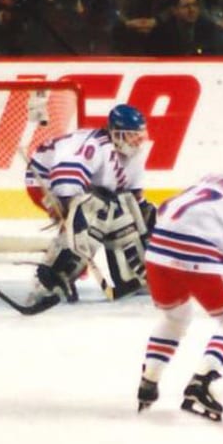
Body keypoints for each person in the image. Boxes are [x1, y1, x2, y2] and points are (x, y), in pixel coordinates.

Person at [137, 146, 223, 421]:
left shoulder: (208, 180)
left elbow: (166, 207)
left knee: (176, 317)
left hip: (157, 251)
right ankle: (200, 384)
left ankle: (149, 380)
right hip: (199, 255)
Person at [21, 104, 151, 307]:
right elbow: (66, 186)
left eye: (139, 135)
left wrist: (145, 228)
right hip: (45, 181)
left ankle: (130, 274)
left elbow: (134, 199)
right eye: (131, 135)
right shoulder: (95, 147)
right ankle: (49, 279)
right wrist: (74, 224)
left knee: (124, 210)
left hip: (82, 186)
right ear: (115, 133)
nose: (137, 140)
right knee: (92, 213)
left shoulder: (133, 155)